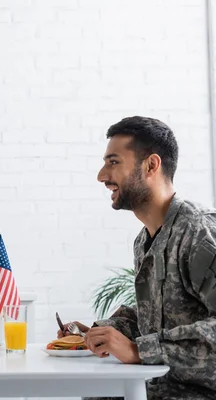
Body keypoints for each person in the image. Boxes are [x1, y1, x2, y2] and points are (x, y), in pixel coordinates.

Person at [59, 116, 216, 399]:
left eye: (114, 162)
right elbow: (159, 320)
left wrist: (136, 350)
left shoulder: (198, 234)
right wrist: (100, 333)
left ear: (151, 165)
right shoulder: (145, 240)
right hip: (154, 387)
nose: (102, 175)